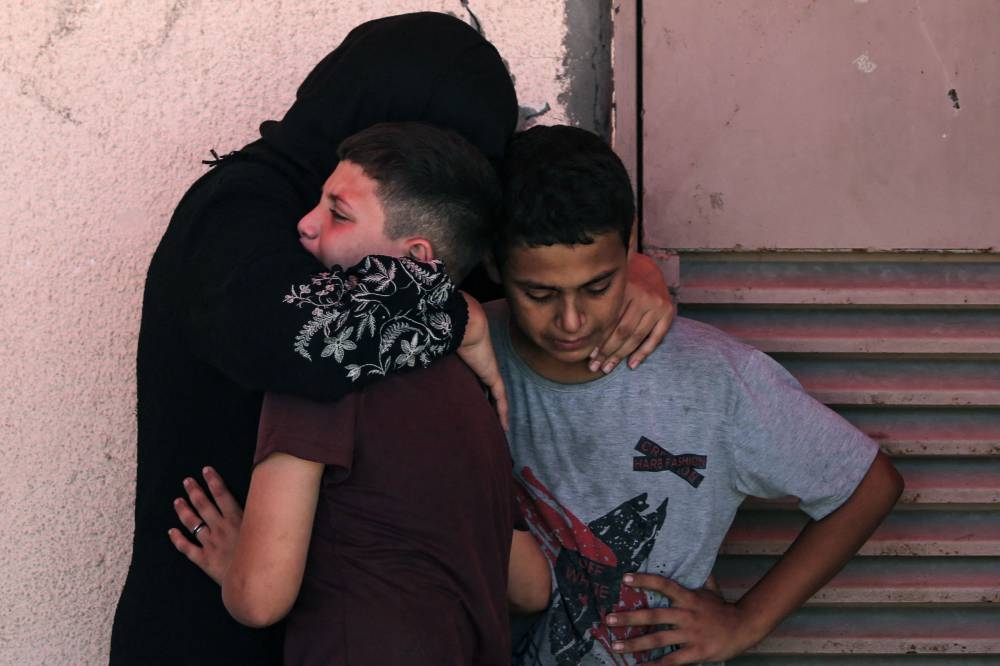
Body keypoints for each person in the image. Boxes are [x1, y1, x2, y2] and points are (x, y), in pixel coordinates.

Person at [114, 12, 672, 665]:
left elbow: (520, 230)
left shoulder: (381, 240)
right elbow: (307, 334)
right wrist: (455, 315)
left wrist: (626, 258)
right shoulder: (237, 210)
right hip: (208, 627)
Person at [482, 125, 905, 665]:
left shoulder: (711, 377)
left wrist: (747, 622)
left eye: (598, 287)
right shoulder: (462, 360)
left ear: (630, 244)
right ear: (493, 265)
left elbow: (869, 484)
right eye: (539, 293)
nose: (571, 321)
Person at [178, 121, 551, 664]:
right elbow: (530, 587)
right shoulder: (473, 392)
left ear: (417, 260)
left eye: (339, 213)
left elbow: (260, 598)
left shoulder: (320, 370)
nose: (305, 224)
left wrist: (238, 562)